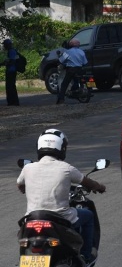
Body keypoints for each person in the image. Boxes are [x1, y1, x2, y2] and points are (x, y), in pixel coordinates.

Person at [17, 129, 106, 264]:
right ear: (62, 148)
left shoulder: (28, 168)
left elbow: (19, 184)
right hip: (60, 218)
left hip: (31, 218)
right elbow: (87, 182)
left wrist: (25, 188)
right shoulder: (66, 168)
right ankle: (86, 256)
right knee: (88, 215)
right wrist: (99, 187)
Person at [56, 39, 88, 105]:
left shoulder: (68, 52)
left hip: (71, 70)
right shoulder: (81, 52)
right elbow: (85, 62)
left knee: (64, 84)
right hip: (80, 69)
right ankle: (75, 90)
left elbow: (61, 60)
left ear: (70, 45)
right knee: (76, 80)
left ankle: (61, 99)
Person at [4, 38, 20, 106]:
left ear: (8, 45)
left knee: (10, 86)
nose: (4, 46)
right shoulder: (12, 51)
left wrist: (7, 62)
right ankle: (12, 101)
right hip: (11, 70)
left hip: (11, 71)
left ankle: (13, 102)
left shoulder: (11, 51)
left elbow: (13, 60)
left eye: (5, 45)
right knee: (11, 86)